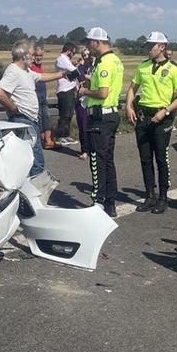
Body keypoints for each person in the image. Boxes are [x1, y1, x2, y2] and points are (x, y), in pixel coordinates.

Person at [125, 31, 177, 214]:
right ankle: (149, 196)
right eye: (147, 45)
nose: (148, 49)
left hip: (162, 117)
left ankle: (163, 198)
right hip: (144, 117)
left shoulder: (174, 69)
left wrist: (166, 111)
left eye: (151, 45)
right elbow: (132, 88)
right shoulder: (142, 66)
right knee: (145, 159)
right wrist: (129, 106)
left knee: (161, 158)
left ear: (162, 47)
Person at [0, 40, 69, 177]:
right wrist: (13, 108)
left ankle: (29, 193)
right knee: (35, 162)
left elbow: (42, 76)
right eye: (32, 55)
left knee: (31, 161)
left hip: (30, 121)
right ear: (24, 56)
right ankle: (34, 195)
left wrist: (62, 74)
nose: (34, 58)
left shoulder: (26, 71)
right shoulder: (13, 71)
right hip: (23, 120)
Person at [80, 27, 124, 217]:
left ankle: (98, 200)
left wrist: (85, 92)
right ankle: (110, 202)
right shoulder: (114, 60)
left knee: (98, 160)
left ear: (97, 42)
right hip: (110, 114)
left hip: (101, 116)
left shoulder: (105, 63)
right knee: (108, 160)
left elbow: (103, 93)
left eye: (89, 42)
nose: (88, 47)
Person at [30, 42, 55, 150]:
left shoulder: (41, 66)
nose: (39, 58)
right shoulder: (30, 66)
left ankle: (48, 141)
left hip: (43, 97)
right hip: (35, 98)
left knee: (47, 118)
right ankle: (42, 141)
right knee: (39, 120)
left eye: (40, 56)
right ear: (33, 56)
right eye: (37, 56)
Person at [54, 42, 79, 145]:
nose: (73, 54)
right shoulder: (62, 59)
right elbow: (75, 72)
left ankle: (66, 135)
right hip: (64, 89)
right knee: (64, 114)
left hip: (70, 88)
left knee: (69, 114)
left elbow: (72, 70)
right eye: (73, 52)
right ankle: (60, 136)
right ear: (69, 51)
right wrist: (76, 69)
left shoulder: (66, 60)